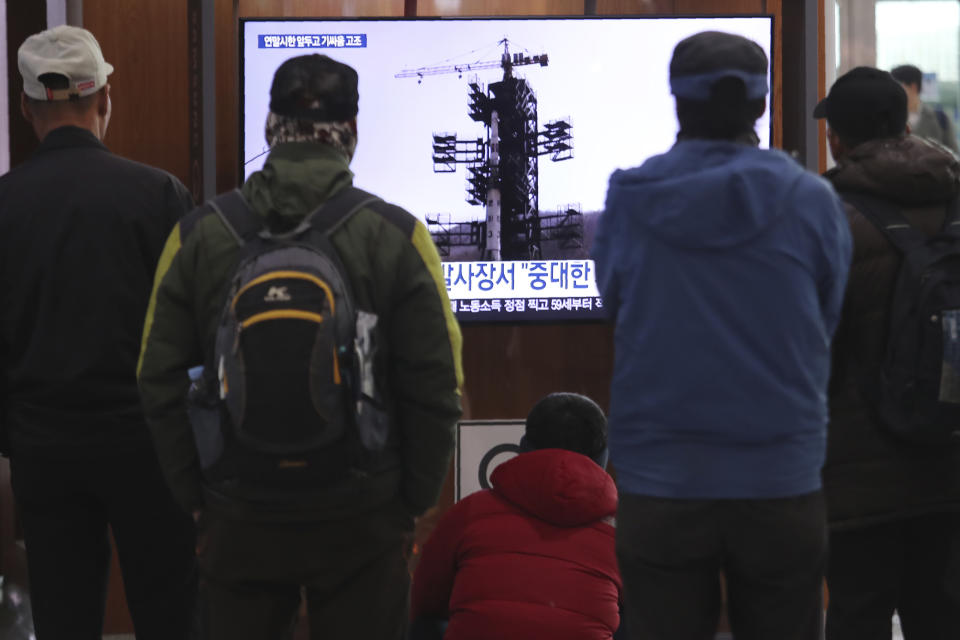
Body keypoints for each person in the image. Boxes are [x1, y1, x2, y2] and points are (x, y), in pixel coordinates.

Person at [137, 53, 463, 640]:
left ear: (270, 128)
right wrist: (408, 503)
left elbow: (156, 378)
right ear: (352, 134)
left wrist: (197, 495)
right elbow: (438, 385)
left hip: (238, 512)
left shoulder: (199, 234)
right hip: (363, 515)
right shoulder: (397, 235)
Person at [593, 31, 852, 640]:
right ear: (760, 105)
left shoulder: (631, 199)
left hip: (661, 480)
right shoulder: (813, 201)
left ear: (677, 102)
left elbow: (616, 307)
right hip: (780, 476)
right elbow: (828, 321)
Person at [0, 26, 197, 639]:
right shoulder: (159, 195)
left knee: (64, 617)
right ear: (105, 99)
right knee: (171, 613)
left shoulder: (4, 203)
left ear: (30, 109)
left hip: (43, 447)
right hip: (147, 445)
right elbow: (190, 331)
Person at [815, 66, 960, 640]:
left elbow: (811, 349)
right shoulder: (955, 196)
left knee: (857, 615)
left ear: (838, 138)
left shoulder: (828, 217)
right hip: (952, 458)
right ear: (905, 121)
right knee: (944, 616)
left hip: (859, 472)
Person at [410, 392, 621, 640]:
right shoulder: (619, 540)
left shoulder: (469, 512)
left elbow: (424, 601)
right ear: (602, 459)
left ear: (523, 447)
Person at [890, 64, 959, 154]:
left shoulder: (940, 119)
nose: (893, 92)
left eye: (897, 86)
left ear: (913, 87)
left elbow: (953, 154)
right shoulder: (889, 120)